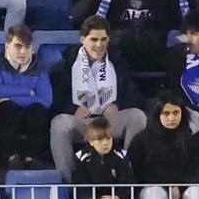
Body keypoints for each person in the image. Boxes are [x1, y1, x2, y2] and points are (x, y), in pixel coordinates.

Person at [49, 16, 147, 180]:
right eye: (93, 39)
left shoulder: (117, 62)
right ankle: (68, 183)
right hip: (82, 123)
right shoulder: (65, 66)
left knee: (137, 116)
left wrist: (117, 104)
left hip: (109, 121)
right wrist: (72, 110)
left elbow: (135, 96)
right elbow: (54, 102)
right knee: (59, 123)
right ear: (82, 39)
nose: (99, 44)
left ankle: (128, 175)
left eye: (103, 39)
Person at [0, 24, 55, 169]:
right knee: (6, 108)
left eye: (27, 47)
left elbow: (46, 100)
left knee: (38, 109)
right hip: (7, 115)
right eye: (18, 46)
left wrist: (10, 96)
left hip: (31, 115)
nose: (23, 51)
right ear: (7, 46)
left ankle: (32, 159)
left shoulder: (39, 68)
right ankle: (11, 158)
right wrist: (27, 91)